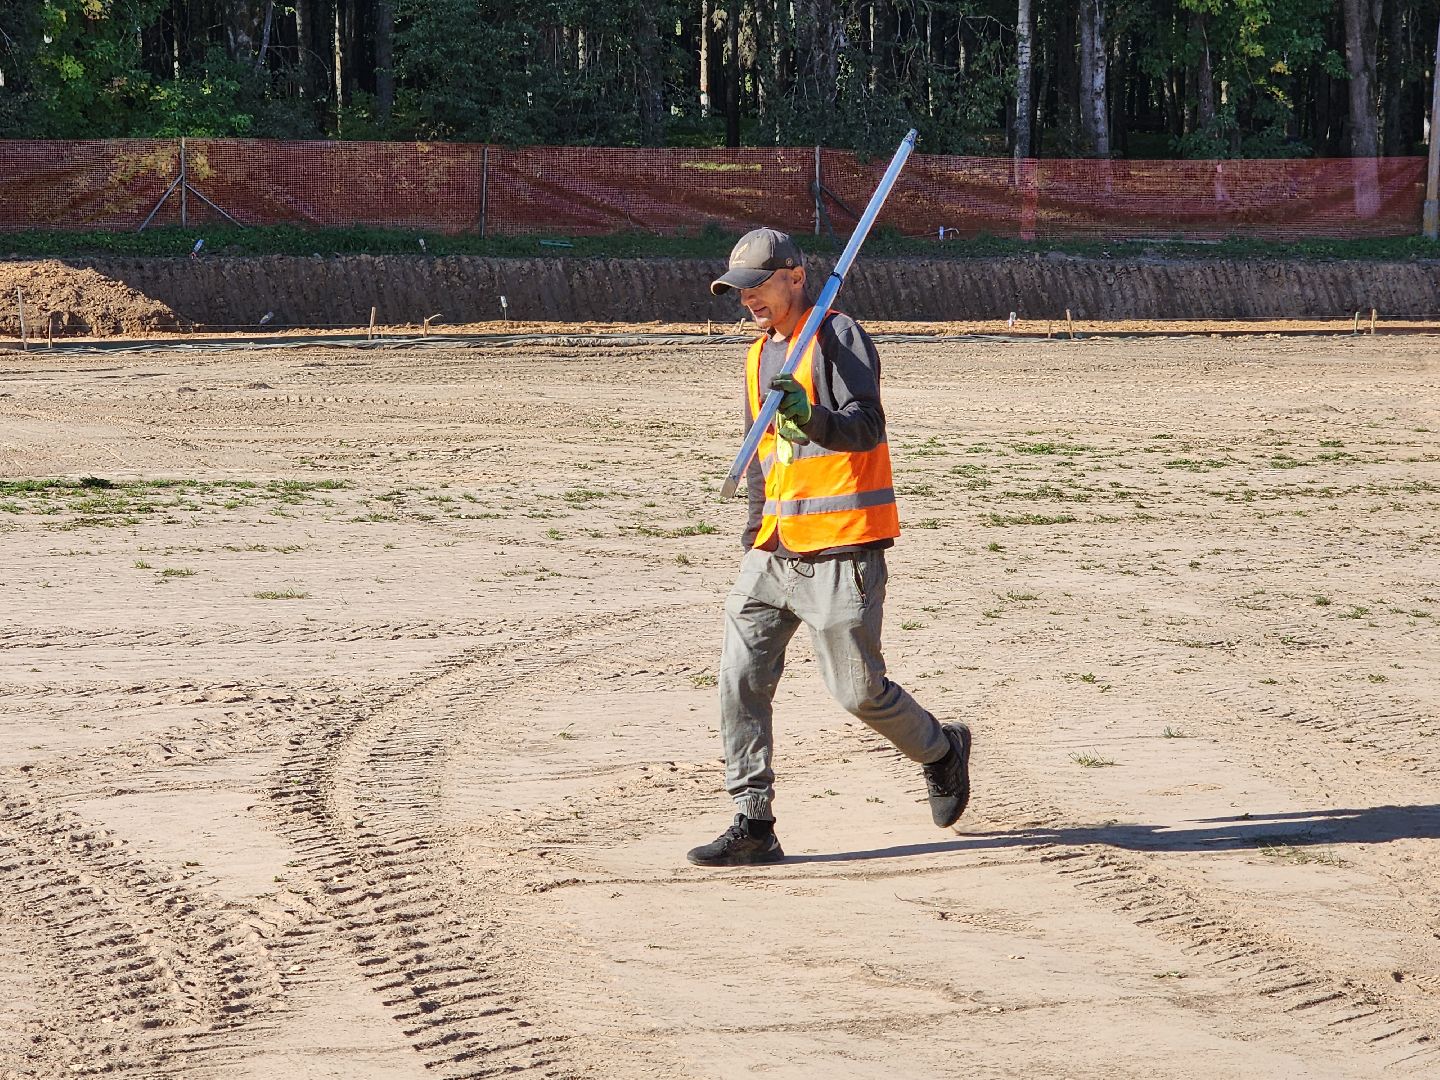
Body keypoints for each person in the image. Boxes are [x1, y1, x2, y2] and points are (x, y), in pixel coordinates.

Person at [687, 228, 971, 867]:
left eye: (758, 285)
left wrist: (811, 416)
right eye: (740, 291)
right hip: (772, 549)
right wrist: (754, 535)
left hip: (842, 549)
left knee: (858, 694)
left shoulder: (838, 336)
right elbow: (762, 453)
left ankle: (942, 749)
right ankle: (753, 823)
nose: (748, 300)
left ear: (794, 276)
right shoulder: (760, 356)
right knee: (739, 679)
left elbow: (867, 428)